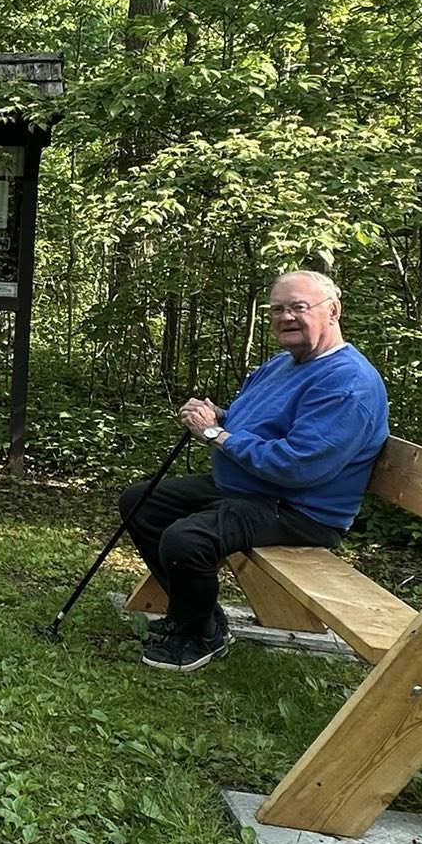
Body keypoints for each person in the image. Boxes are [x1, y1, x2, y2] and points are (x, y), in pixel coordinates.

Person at [121, 270, 390, 673]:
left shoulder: (348, 383)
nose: (286, 317)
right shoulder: (284, 364)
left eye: (298, 307)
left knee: (187, 539)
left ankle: (198, 637)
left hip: (299, 509)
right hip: (252, 488)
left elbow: (298, 466)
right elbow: (253, 424)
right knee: (142, 502)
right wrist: (218, 416)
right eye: (277, 310)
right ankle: (201, 618)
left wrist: (215, 434)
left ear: (333, 311)